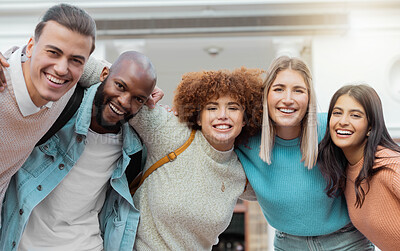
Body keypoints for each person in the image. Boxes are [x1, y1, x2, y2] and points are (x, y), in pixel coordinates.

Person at [0, 51, 157, 251]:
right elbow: (38, 58)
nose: (124, 102)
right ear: (104, 74)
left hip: (87, 244)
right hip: (21, 242)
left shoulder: (134, 147)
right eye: (120, 86)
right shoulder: (60, 106)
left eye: (138, 99)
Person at [235, 56, 374, 250]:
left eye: (298, 90)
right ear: (266, 95)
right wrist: (179, 118)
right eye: (278, 89)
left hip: (346, 242)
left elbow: (377, 148)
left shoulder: (331, 129)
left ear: (309, 97)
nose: (288, 99)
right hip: (288, 244)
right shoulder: (245, 139)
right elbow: (207, 131)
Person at [125, 68, 263, 250]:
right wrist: (142, 85)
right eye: (212, 108)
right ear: (198, 117)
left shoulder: (241, 173)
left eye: (233, 108)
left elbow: (287, 191)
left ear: (244, 119)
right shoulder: (170, 132)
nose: (222, 115)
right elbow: (116, 87)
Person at [0, 3, 99, 213]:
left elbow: (103, 71)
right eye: (53, 52)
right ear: (30, 46)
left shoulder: (64, 90)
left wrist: (149, 91)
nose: (62, 69)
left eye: (75, 60)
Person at [318, 84, 400, 251]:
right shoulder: (346, 171)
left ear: (370, 126)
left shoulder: (391, 166)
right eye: (337, 113)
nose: (343, 121)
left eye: (355, 115)